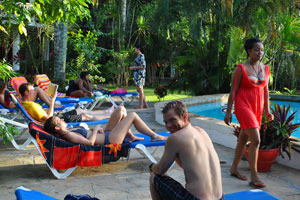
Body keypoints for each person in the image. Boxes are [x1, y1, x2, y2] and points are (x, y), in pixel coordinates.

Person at [224, 38, 274, 188]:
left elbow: (265, 91)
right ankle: (254, 175)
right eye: (256, 50)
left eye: (262, 50)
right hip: (243, 105)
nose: (260, 53)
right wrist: (228, 112)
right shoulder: (240, 69)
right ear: (249, 51)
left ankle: (234, 168)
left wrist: (268, 110)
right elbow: (233, 91)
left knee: (243, 138)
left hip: (257, 108)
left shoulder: (265, 69)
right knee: (256, 140)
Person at [149, 101, 223, 200]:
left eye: (172, 120)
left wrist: (152, 166)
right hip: (220, 198)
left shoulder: (175, 138)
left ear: (185, 117)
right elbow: (194, 167)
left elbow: (161, 170)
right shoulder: (202, 132)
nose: (168, 125)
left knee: (154, 177)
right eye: (166, 122)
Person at [44, 105, 167, 145]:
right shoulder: (68, 135)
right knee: (133, 115)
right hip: (110, 139)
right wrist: (97, 128)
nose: (62, 119)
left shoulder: (68, 130)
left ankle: (129, 136)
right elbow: (89, 143)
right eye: (59, 120)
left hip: (105, 133)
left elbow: (86, 134)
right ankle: (154, 135)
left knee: (120, 109)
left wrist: (94, 129)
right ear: (57, 128)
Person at [19, 83, 113, 123]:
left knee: (79, 110)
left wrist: (45, 109)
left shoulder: (24, 103)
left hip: (55, 117)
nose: (34, 92)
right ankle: (109, 116)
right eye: (32, 90)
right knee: (85, 116)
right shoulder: (31, 105)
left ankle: (106, 112)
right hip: (54, 122)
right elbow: (48, 119)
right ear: (26, 93)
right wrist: (52, 101)